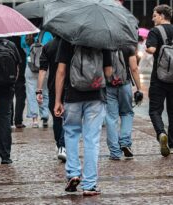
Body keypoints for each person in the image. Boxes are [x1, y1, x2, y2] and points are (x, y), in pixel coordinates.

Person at [54, 39, 112, 196]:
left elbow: (61, 71)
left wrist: (58, 100)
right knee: (91, 139)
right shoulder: (102, 39)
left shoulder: (67, 38)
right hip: (96, 96)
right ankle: (90, 184)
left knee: (71, 134)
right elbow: (108, 73)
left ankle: (73, 173)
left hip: (72, 95)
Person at [105, 46, 142, 160]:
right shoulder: (127, 45)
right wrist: (139, 89)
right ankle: (125, 143)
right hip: (125, 85)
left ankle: (115, 152)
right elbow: (134, 68)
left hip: (108, 86)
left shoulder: (103, 44)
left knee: (111, 118)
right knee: (127, 114)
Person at [146, 4, 173, 157]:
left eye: (155, 15)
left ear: (162, 16)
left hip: (159, 77)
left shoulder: (155, 31)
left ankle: (161, 133)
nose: (153, 18)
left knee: (155, 110)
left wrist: (148, 48)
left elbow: (152, 49)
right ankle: (172, 143)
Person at [36, 36, 66, 162]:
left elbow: (42, 70)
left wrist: (39, 90)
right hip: (70, 85)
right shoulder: (70, 44)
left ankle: (60, 145)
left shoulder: (48, 46)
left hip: (53, 86)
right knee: (68, 117)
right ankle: (63, 146)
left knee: (57, 117)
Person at [21, 33, 52, 128]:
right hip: (44, 67)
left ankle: (34, 120)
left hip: (30, 67)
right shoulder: (47, 34)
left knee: (31, 93)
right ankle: (45, 116)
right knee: (44, 92)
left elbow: (24, 49)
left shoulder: (24, 35)